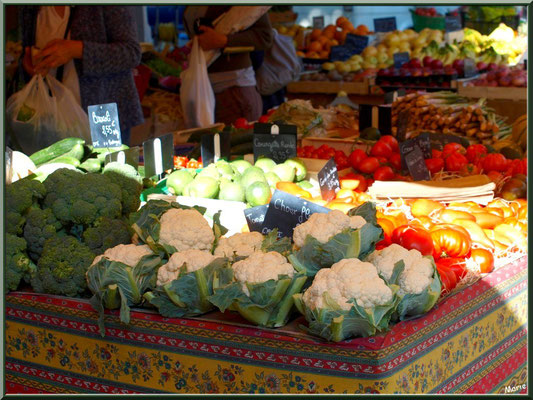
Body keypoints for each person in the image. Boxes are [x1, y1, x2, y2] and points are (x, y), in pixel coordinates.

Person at [19, 5, 143, 145]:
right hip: (49, 117)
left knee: (107, 166)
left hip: (102, 113)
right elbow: (26, 53)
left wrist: (77, 50)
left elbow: (131, 53)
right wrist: (28, 65)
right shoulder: (31, 8)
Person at [183, 6, 273, 125]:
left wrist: (223, 40)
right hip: (204, 92)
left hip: (234, 92)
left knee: (232, 142)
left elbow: (265, 36)